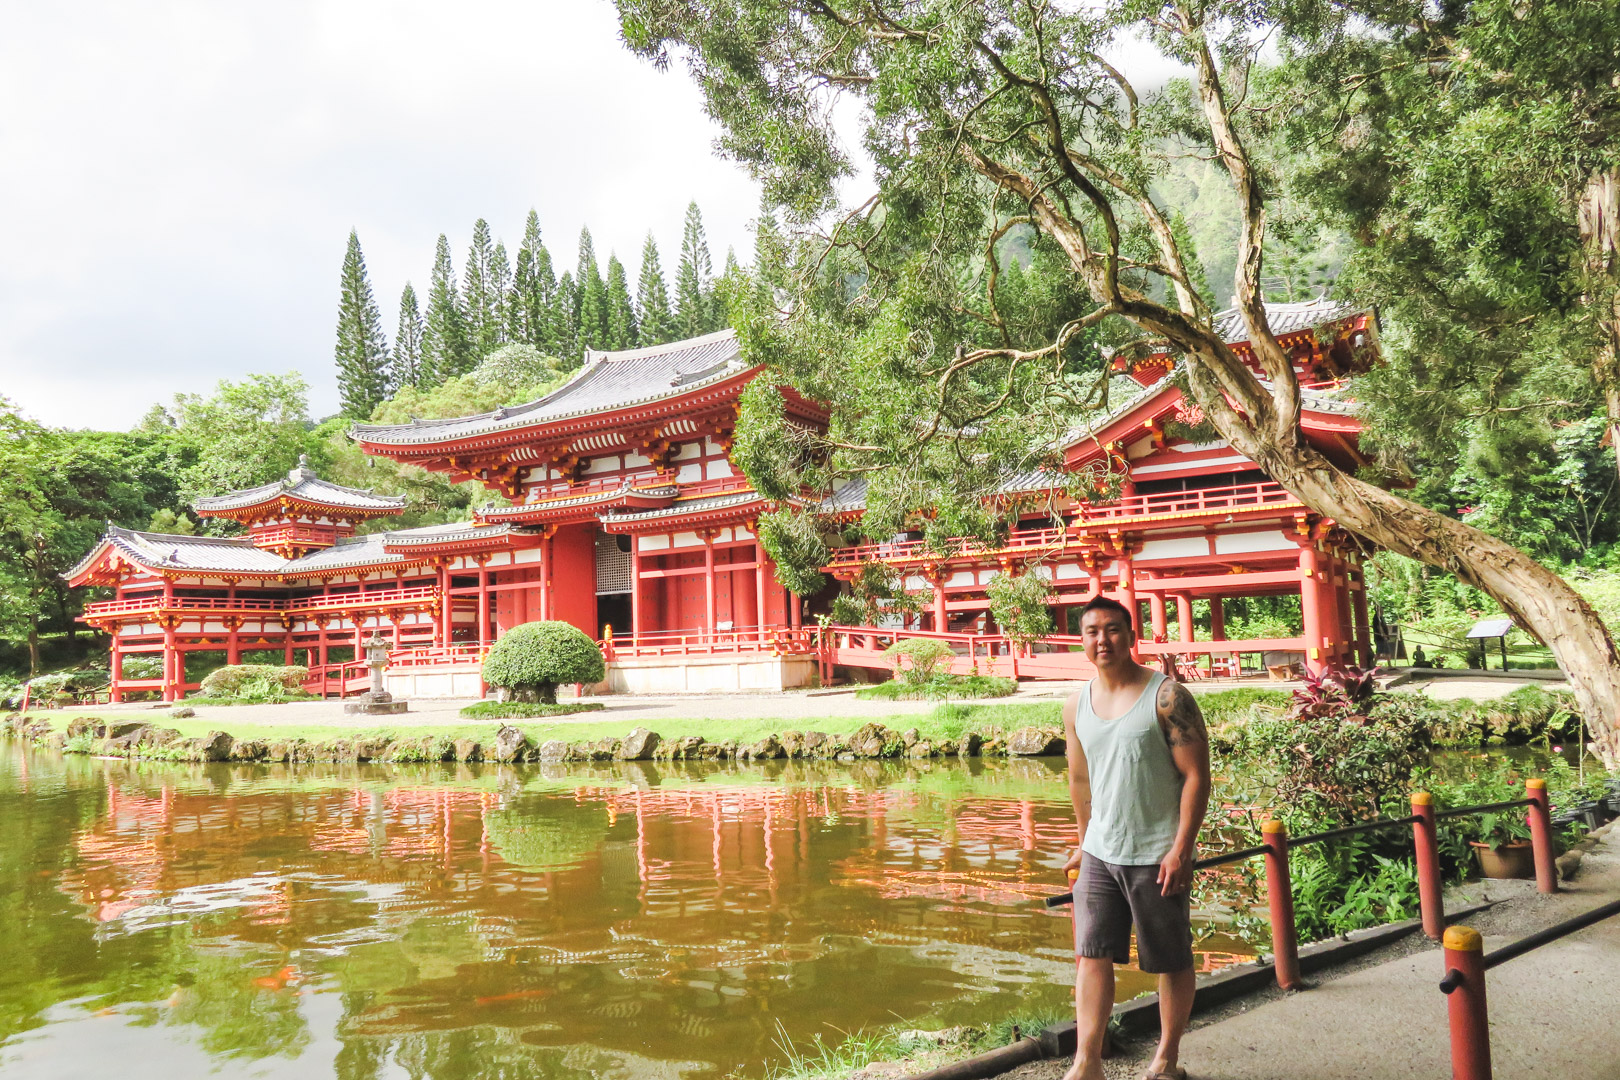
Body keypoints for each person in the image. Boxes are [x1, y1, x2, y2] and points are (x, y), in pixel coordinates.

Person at [1062, 595, 1211, 1080]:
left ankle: (1166, 1059)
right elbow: (1081, 780)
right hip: (1102, 852)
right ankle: (1088, 1062)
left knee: (1169, 959)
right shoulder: (1076, 703)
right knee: (1091, 954)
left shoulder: (1167, 697)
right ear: (1081, 639)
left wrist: (1181, 849)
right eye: (1091, 631)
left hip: (1156, 853)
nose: (1101, 639)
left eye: (1112, 629)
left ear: (1131, 635)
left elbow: (1196, 776)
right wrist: (1084, 844)